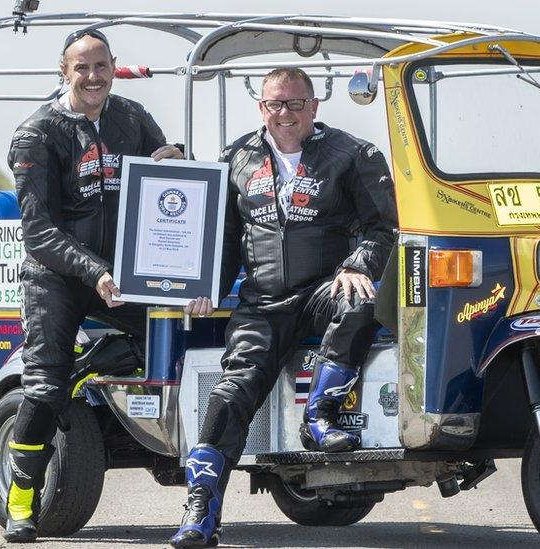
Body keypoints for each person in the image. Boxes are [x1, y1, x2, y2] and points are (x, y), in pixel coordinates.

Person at [170, 68, 398, 548]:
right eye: (276, 104)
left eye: (296, 104)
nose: (286, 114)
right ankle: (200, 510)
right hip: (262, 302)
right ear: (262, 108)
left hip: (323, 288)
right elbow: (224, 239)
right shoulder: (237, 158)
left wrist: (358, 264)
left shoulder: (353, 155)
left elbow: (382, 227)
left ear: (314, 107)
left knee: (360, 300)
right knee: (230, 393)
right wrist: (203, 283)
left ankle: (321, 416)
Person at [4, 28, 183, 543]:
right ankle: (21, 502)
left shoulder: (132, 117)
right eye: (81, 67)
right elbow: (37, 232)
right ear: (64, 72)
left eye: (101, 65)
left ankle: (85, 374)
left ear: (113, 67)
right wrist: (94, 271)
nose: (93, 76)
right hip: (56, 277)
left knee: (170, 341)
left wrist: (175, 161)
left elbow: (167, 176)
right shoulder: (36, 133)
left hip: (121, 274)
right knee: (43, 388)